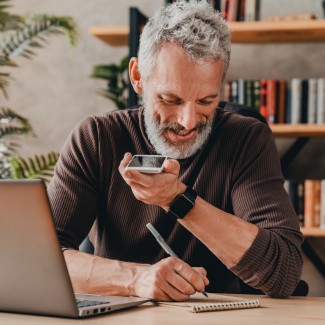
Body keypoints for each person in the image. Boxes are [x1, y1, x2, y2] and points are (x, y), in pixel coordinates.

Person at [48, 0, 303, 301]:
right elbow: (41, 259)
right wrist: (136, 279)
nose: (189, 121)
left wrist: (177, 199)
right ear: (138, 77)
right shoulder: (97, 138)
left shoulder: (246, 139)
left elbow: (285, 272)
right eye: (171, 100)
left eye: (207, 101)